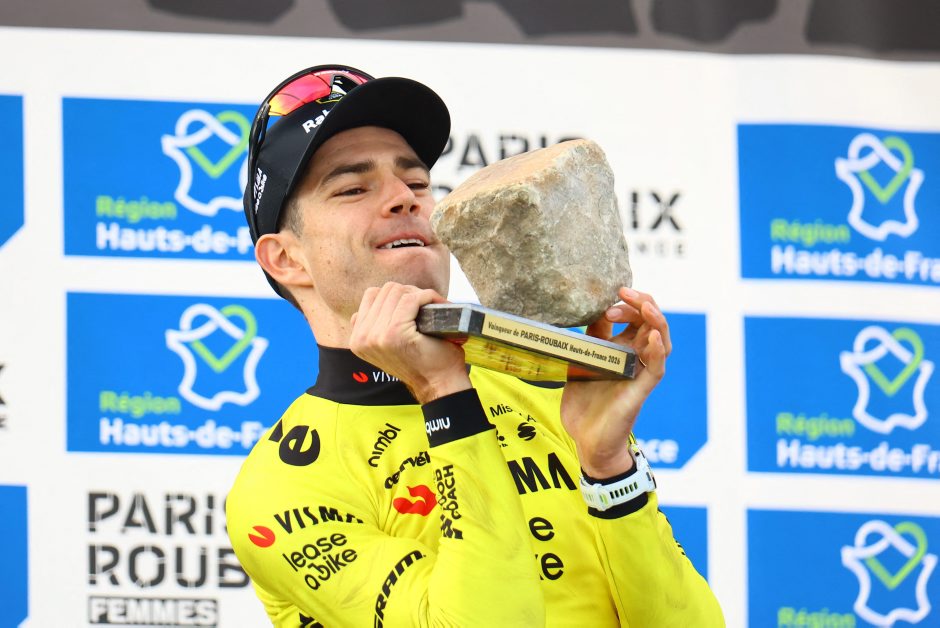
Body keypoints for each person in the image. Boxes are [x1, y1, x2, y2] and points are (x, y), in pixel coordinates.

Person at [226, 64, 724, 627]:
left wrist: (609, 468)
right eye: (353, 188)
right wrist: (443, 394)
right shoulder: (284, 486)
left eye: (417, 183)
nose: (404, 199)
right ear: (286, 259)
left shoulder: (551, 395)